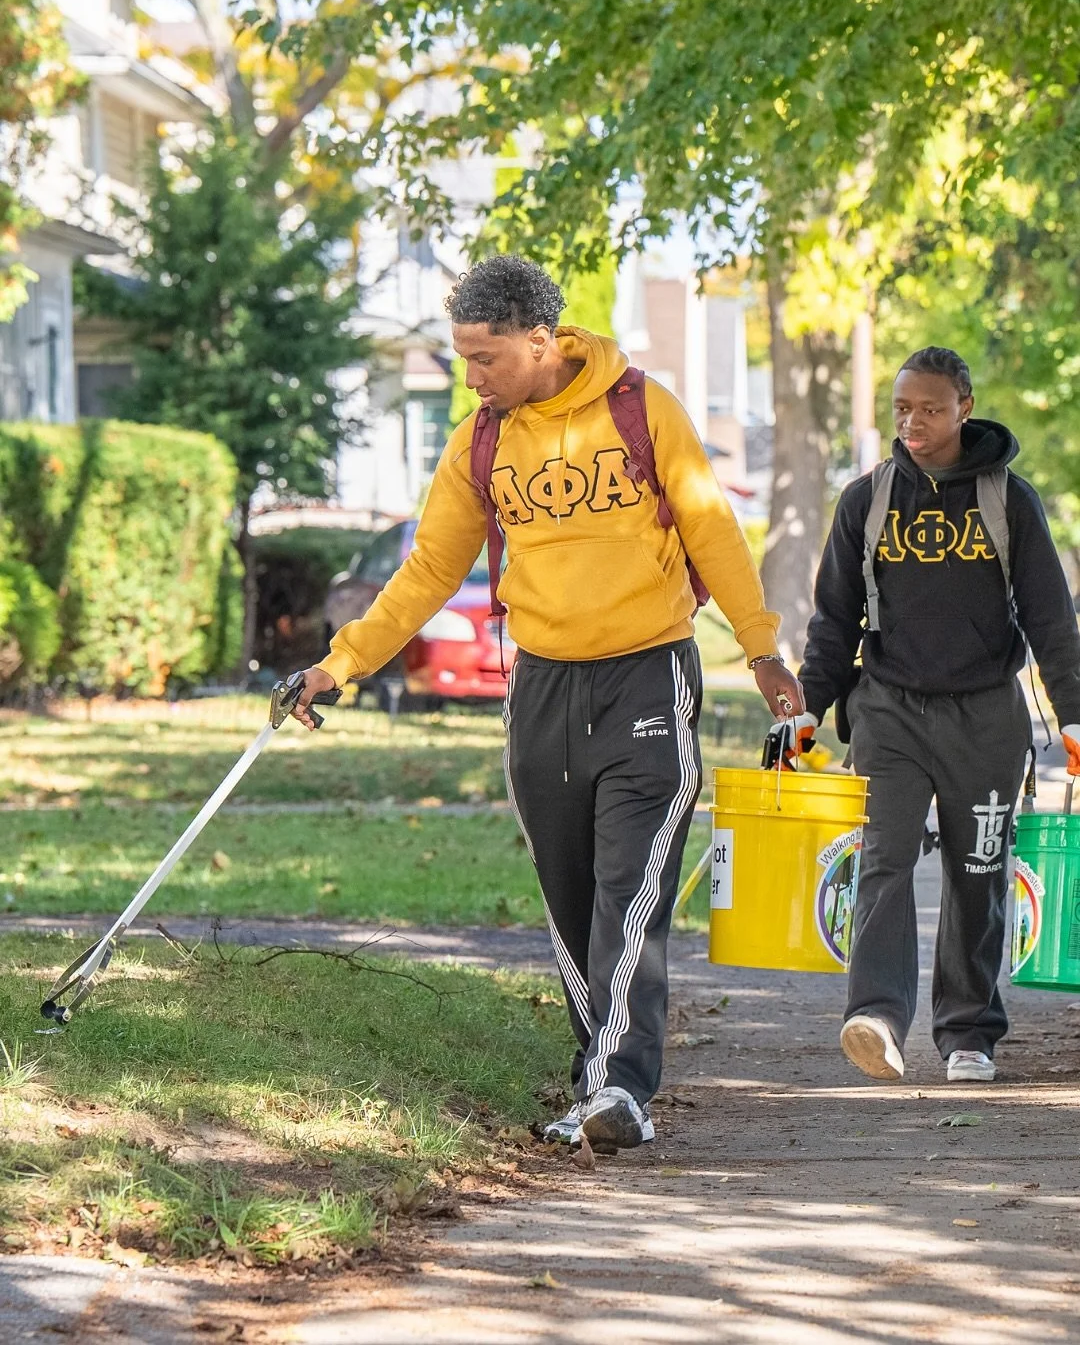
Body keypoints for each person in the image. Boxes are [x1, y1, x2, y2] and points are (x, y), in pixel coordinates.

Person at [291, 255, 802, 1149]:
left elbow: (711, 529)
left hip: (647, 671)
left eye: (484, 357)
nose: (471, 376)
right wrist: (343, 663)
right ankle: (598, 1075)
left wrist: (762, 650)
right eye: (462, 358)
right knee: (570, 898)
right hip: (543, 685)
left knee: (629, 891)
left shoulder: (643, 409)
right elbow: (428, 570)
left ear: (540, 340)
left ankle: (616, 1086)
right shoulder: (480, 440)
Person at [791, 346, 1080, 1083]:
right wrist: (807, 707)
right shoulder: (868, 499)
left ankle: (968, 1034)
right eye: (901, 409)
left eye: (929, 408)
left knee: (978, 868)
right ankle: (877, 1018)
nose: (913, 422)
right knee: (884, 859)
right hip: (889, 708)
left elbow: (1051, 616)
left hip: (986, 714)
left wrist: (1074, 716)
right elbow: (835, 619)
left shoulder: (1010, 500)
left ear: (964, 407)